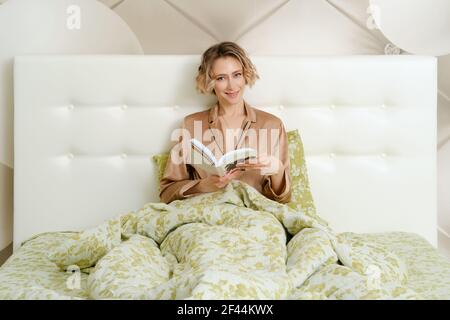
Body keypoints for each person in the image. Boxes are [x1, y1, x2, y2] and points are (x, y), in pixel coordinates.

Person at [159, 41, 291, 204]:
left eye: (237, 75)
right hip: (206, 218)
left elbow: (284, 198)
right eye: (221, 78)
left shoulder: (272, 125)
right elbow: (166, 193)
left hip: (255, 218)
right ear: (210, 82)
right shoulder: (191, 125)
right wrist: (203, 185)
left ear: (245, 75)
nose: (232, 85)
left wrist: (276, 169)